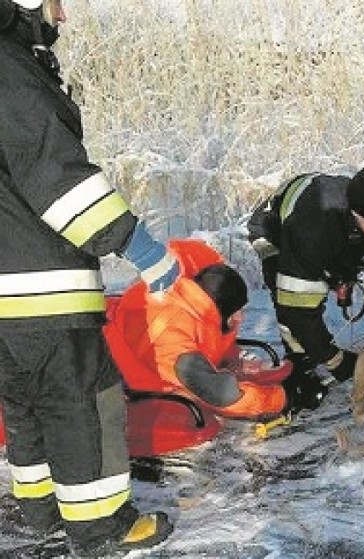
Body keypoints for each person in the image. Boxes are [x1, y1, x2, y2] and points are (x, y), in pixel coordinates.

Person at [0, 0, 177, 555]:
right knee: (83, 403)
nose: (63, 17)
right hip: (41, 284)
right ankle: (101, 528)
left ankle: (40, 510)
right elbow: (59, 179)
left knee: (26, 402)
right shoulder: (12, 71)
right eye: (56, 3)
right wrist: (136, 245)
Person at [247, 165, 364, 395]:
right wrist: (337, 361)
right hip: (275, 231)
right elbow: (297, 312)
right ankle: (300, 364)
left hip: (331, 223)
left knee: (343, 264)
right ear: (359, 216)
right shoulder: (311, 233)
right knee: (289, 301)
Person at [105, 238, 307, 420]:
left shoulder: (199, 306)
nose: (241, 318)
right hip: (106, 360)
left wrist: (235, 362)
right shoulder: (173, 338)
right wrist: (282, 398)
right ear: (220, 309)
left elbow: (211, 341)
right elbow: (219, 395)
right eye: (236, 312)